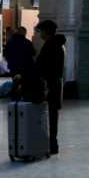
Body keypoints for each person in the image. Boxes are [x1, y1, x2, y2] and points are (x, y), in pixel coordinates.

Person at [32, 20, 66, 155]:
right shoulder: (59, 45)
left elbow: (43, 66)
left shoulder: (51, 46)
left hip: (49, 85)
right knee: (53, 114)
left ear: (46, 31)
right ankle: (52, 143)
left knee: (50, 114)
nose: (40, 34)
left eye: (41, 31)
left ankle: (51, 143)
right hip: (55, 84)